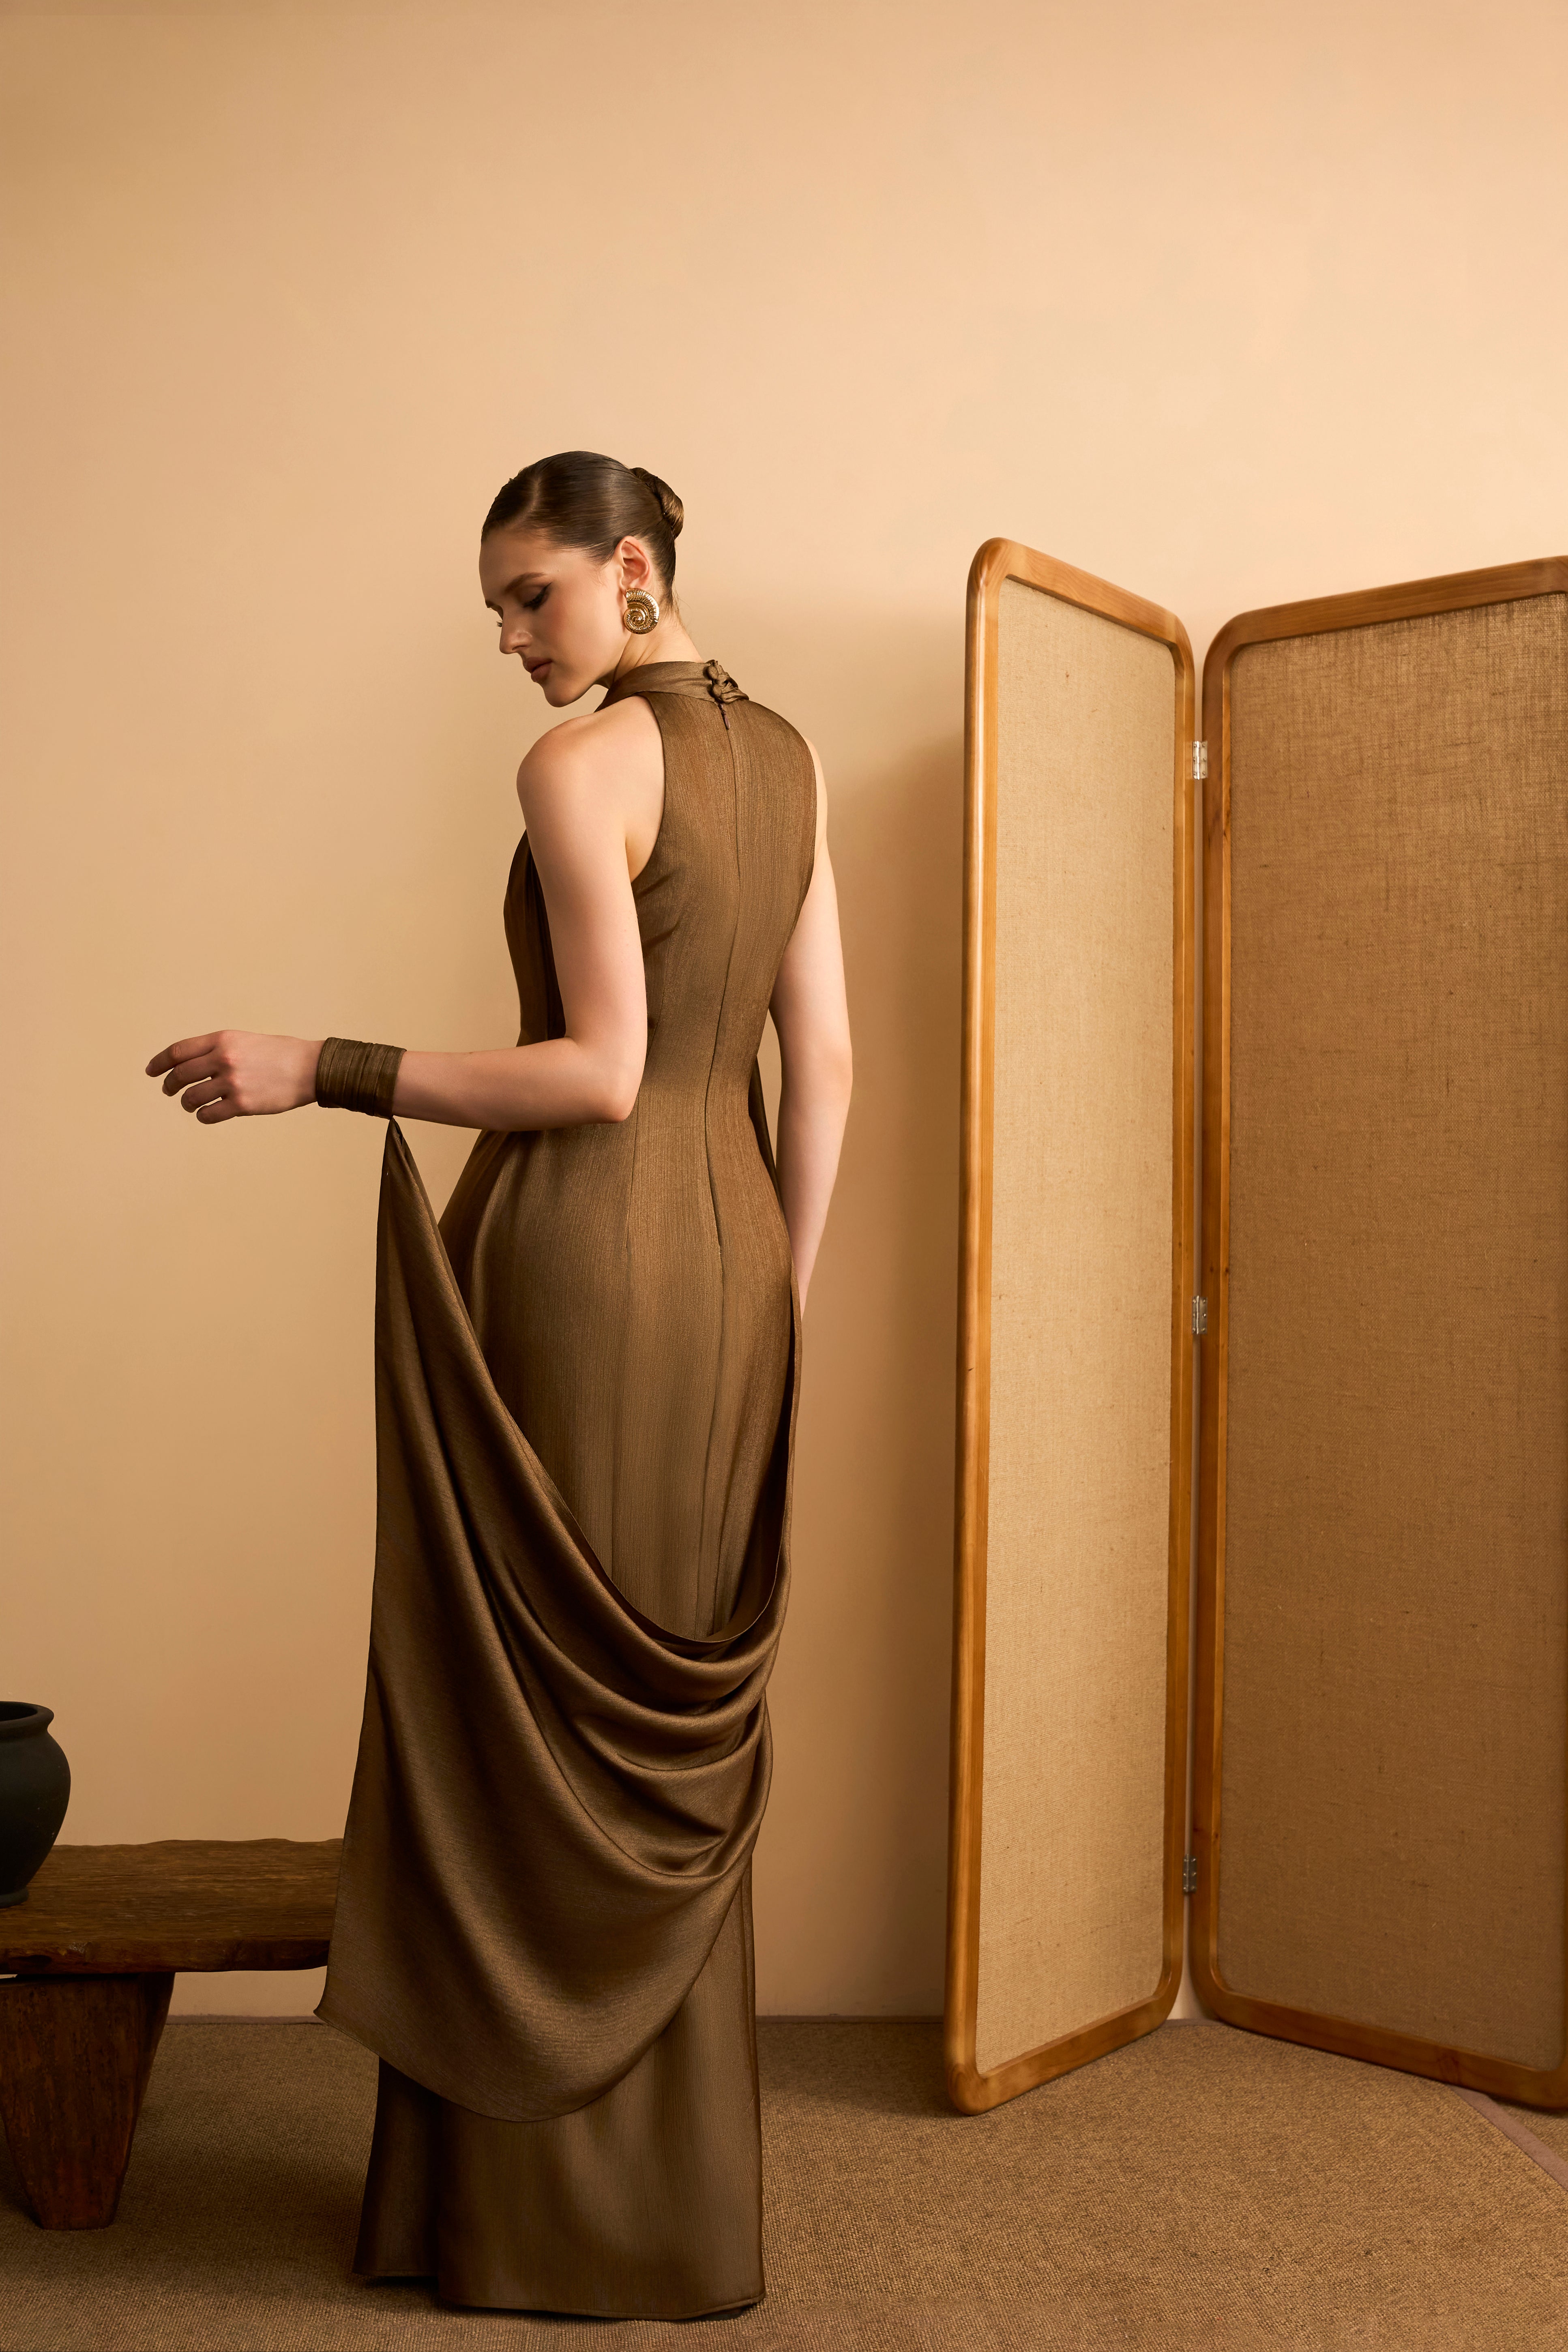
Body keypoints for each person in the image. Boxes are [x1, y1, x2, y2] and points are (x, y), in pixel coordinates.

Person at [144, 450, 853, 2318]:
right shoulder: (788, 759)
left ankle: (513, 2220)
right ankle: (662, 2220)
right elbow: (827, 1059)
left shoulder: (581, 764)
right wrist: (780, 1293)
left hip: (582, 1258)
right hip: (734, 1269)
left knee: (526, 1720)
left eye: (531, 595)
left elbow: (599, 1074)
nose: (514, 638)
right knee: (630, 1723)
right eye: (497, 609)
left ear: (631, 568)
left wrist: (322, 1063)